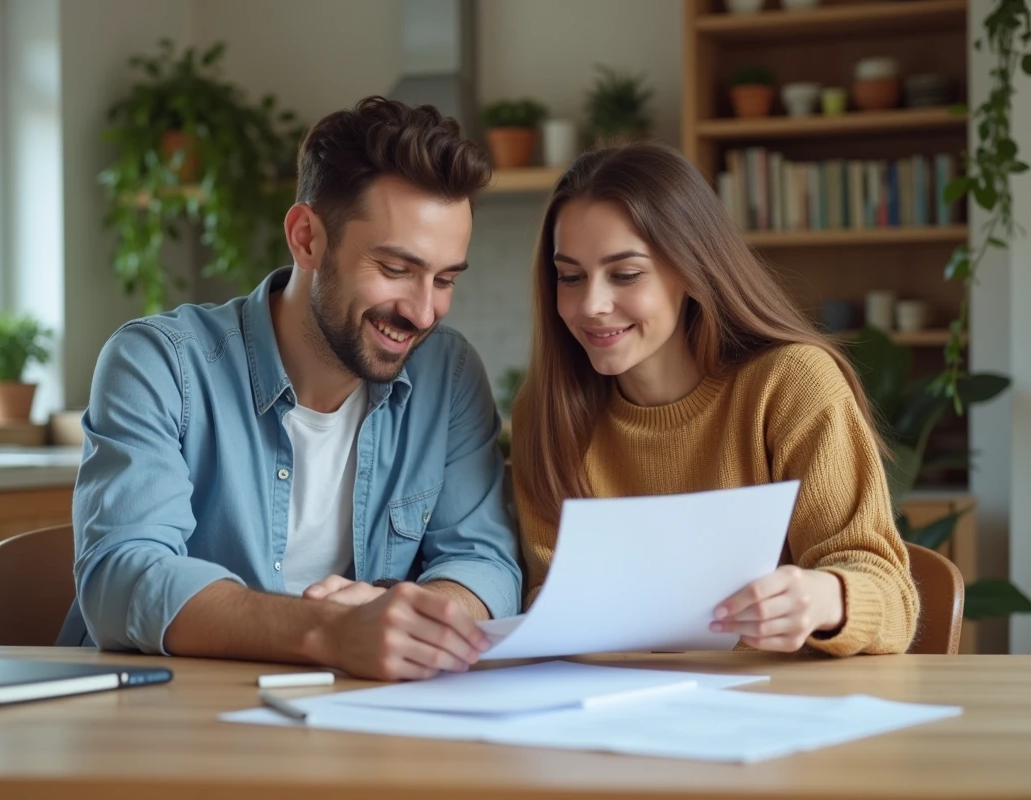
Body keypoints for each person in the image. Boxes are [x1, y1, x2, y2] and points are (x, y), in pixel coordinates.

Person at [56, 97, 522, 680]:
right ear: (306, 239)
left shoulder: (447, 375)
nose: (424, 312)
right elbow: (122, 579)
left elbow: (485, 563)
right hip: (165, 710)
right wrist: (330, 632)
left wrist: (409, 620)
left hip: (356, 709)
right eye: (396, 270)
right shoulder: (159, 364)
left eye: (445, 279)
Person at [511, 143, 918, 657]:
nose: (591, 304)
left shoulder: (790, 383)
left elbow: (890, 597)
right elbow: (551, 599)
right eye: (570, 277)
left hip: (780, 698)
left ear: (689, 269)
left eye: (626, 274)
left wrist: (823, 598)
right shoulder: (545, 414)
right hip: (614, 698)